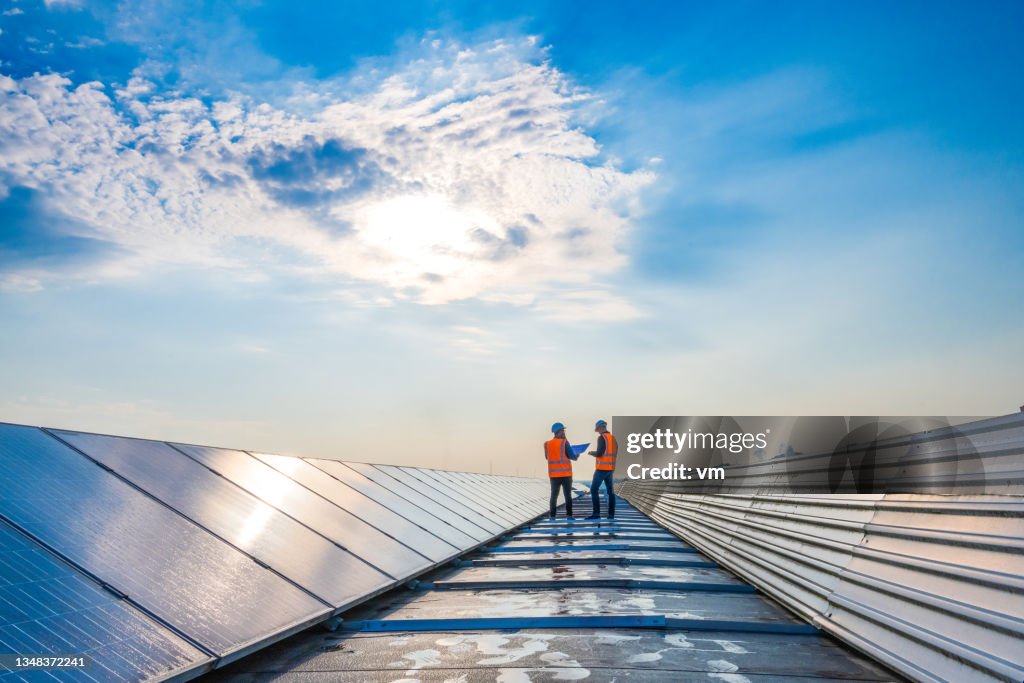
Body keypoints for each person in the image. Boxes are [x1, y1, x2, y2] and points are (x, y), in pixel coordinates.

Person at [586, 419, 617, 520]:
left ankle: (596, 514)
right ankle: (611, 515)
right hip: (610, 469)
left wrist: (591, 453)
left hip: (601, 469)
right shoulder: (613, 438)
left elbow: (600, 453)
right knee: (610, 492)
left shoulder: (601, 438)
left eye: (598, 429)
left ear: (601, 428)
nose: (598, 431)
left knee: (593, 489)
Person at [544, 422, 574, 519]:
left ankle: (552, 516)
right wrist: (576, 455)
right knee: (567, 496)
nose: (564, 432)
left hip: (554, 476)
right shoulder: (564, 442)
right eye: (563, 431)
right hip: (566, 475)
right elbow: (572, 456)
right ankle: (569, 515)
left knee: (554, 496)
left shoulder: (547, 444)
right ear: (559, 432)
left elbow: (547, 457)